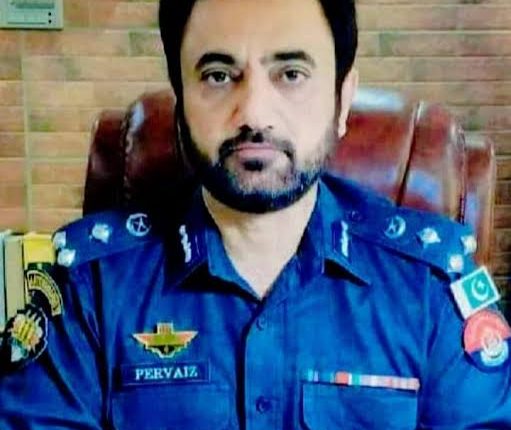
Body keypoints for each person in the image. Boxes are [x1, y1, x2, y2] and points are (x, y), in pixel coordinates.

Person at [1, 0, 510, 428]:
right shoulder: (89, 285)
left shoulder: (431, 285)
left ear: (342, 100)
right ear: (181, 104)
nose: (254, 114)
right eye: (218, 76)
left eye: (291, 74)